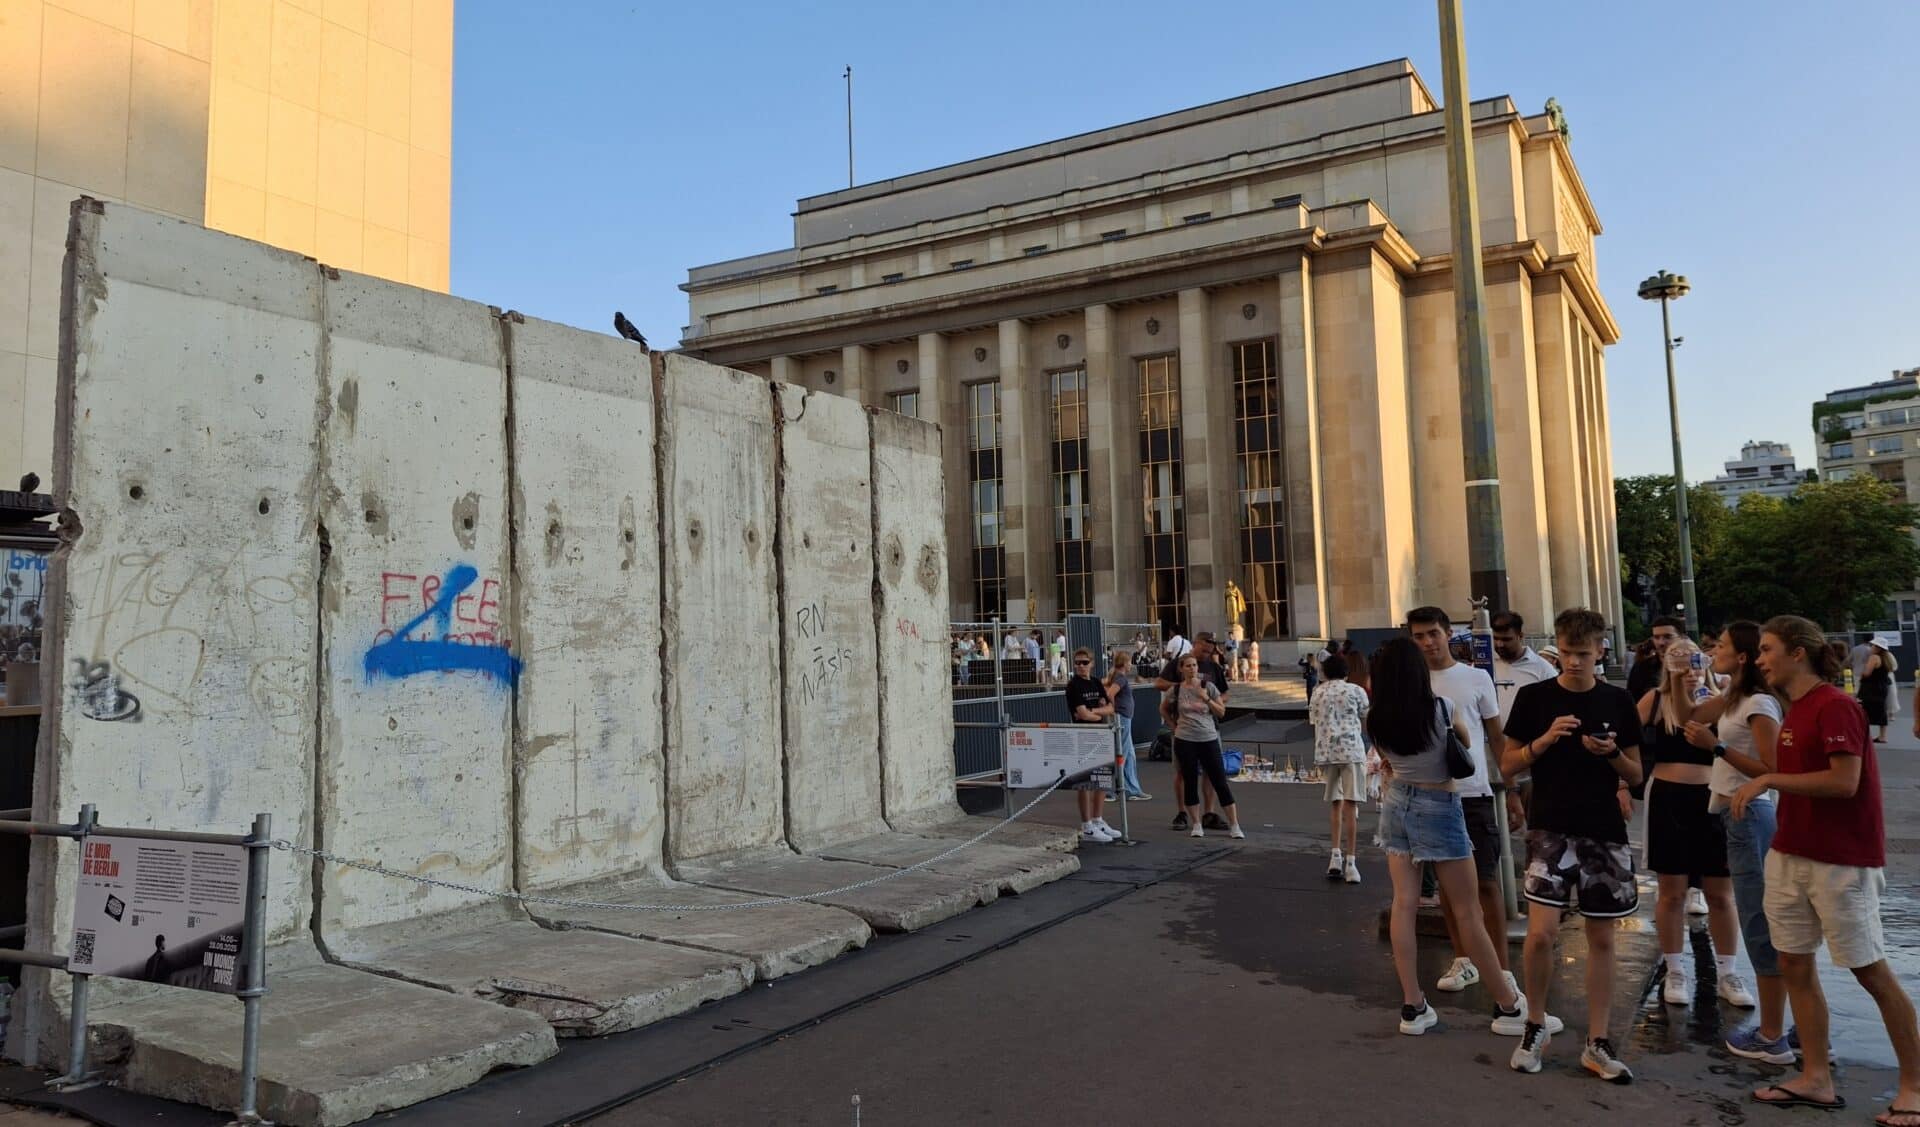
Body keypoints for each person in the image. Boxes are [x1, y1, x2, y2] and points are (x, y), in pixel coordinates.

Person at [1739, 616, 1920, 1124]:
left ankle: (1914, 1087)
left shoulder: (1836, 705)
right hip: (1791, 854)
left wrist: (1769, 778)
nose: (1760, 658)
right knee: (1794, 962)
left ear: (1797, 652)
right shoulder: (1795, 708)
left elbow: (1845, 782)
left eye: (1768, 648)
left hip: (1842, 862)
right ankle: (1815, 1077)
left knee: (1870, 970)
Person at [1367, 637, 1538, 1038]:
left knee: (1404, 904)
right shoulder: (1440, 709)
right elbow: (1462, 741)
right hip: (1438, 804)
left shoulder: (1376, 719)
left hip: (1397, 804)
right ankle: (1509, 1007)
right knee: (1467, 911)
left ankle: (1413, 1004)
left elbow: (1388, 759)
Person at [1502, 607, 1644, 1082]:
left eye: (1583, 654)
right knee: (1541, 934)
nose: (1574, 662)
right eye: (1566, 653)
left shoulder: (1619, 702)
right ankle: (1535, 1023)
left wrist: (1613, 756)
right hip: (1550, 829)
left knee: (1601, 937)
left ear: (1601, 650)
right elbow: (1506, 765)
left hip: (1603, 830)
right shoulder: (1535, 697)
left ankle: (1598, 1040)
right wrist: (1542, 742)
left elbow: (1637, 774)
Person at [1679, 621, 1792, 1063]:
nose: (1713, 651)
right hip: (1734, 815)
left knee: (1760, 923)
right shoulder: (1735, 697)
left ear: (1741, 657)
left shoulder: (1760, 702)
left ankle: (1772, 1034)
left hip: (1749, 815)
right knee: (1759, 919)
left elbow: (1771, 768)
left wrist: (1718, 749)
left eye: (1721, 646)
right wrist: (1681, 678)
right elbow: (1692, 715)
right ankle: (1787, 1027)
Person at [1405, 607, 1516, 997]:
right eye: (1419, 636)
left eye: (1433, 633)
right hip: (1431, 795)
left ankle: (1502, 968)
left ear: (1449, 633)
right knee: (1450, 889)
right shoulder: (1411, 683)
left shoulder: (1475, 677)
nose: (1427, 642)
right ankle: (1464, 959)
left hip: (1474, 793)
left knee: (1486, 883)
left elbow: (1497, 736)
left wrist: (1512, 787)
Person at [1638, 639, 1746, 1010]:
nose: (1690, 670)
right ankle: (1675, 968)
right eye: (1680, 663)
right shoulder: (1655, 700)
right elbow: (1628, 736)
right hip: (1668, 796)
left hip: (1714, 797)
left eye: (1695, 661)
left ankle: (1727, 971)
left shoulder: (1724, 700)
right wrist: (1623, 782)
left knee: (1720, 892)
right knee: (1672, 890)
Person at [1165, 653, 1243, 840]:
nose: (1192, 669)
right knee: (1190, 780)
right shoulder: (1176, 690)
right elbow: (1163, 708)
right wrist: (1173, 726)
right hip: (1185, 739)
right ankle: (1197, 824)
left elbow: (1221, 712)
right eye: (1188, 666)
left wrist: (1206, 698)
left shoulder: (1208, 687)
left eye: (1194, 665)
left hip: (1208, 737)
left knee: (1219, 780)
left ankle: (1234, 825)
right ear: (1181, 669)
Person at [1157, 636, 1231, 830]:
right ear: (1196, 645)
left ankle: (1209, 812)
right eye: (1204, 650)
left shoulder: (1213, 668)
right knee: (1184, 772)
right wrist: (1182, 688)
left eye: (1210, 652)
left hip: (1209, 727)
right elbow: (1159, 684)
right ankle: (1182, 812)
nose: (1206, 655)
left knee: (1212, 772)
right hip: (1184, 729)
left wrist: (1213, 698)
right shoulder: (1177, 665)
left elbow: (1225, 693)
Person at [1310, 653, 1369, 883]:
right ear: (1346, 672)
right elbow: (1365, 718)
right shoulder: (1356, 691)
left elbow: (1314, 721)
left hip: (1326, 752)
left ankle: (1334, 856)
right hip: (1352, 750)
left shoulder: (1318, 692)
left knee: (1335, 802)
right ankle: (1351, 862)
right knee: (1351, 805)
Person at [1063, 648, 1122, 843]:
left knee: (1102, 778)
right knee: (1084, 782)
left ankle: (1098, 819)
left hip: (1100, 733)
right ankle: (1087, 824)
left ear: (1092, 663)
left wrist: (1094, 710)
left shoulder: (1096, 682)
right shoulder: (1073, 686)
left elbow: (1110, 708)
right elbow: (1082, 714)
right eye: (1077, 662)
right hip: (1082, 735)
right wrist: (1097, 712)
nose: (1080, 666)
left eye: (1084, 662)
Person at [1492, 611, 1558, 718]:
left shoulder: (1543, 669)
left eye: (1506, 639)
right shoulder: (1485, 666)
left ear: (1520, 636)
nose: (1500, 644)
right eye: (1496, 638)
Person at [1105, 649, 1149, 801]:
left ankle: (1132, 789)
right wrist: (1113, 709)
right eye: (1130, 661)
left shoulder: (1117, 676)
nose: (1131, 664)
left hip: (1123, 717)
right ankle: (1116, 790)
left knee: (1129, 754)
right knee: (1122, 753)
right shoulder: (1121, 678)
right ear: (1124, 663)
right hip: (1122, 717)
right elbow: (1110, 694)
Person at [1628, 616, 1683, 700]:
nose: (1661, 642)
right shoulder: (1642, 667)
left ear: (1681, 638)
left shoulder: (1693, 666)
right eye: (1656, 637)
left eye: (1668, 637)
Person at [1860, 642, 1893, 743]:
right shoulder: (1887, 658)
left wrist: (1862, 672)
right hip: (1882, 687)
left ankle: (1865, 735)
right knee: (1881, 710)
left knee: (1865, 711)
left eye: (1873, 645)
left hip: (1871, 688)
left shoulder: (1874, 657)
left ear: (1878, 648)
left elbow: (1867, 673)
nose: (1871, 647)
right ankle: (1882, 736)